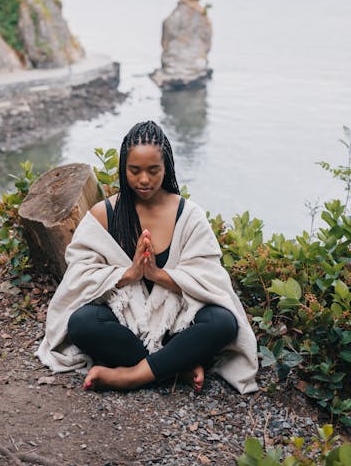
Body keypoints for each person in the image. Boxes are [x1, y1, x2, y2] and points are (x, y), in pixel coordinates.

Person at [36, 121, 258, 393]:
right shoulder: (104, 214)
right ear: (123, 168)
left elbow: (211, 281)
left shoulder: (188, 216)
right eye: (134, 170)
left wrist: (157, 275)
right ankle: (179, 365)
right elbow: (78, 277)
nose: (144, 180)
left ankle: (132, 376)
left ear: (167, 168)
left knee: (223, 322)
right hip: (126, 324)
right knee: (82, 323)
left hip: (177, 323)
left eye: (154, 170)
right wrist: (128, 274)